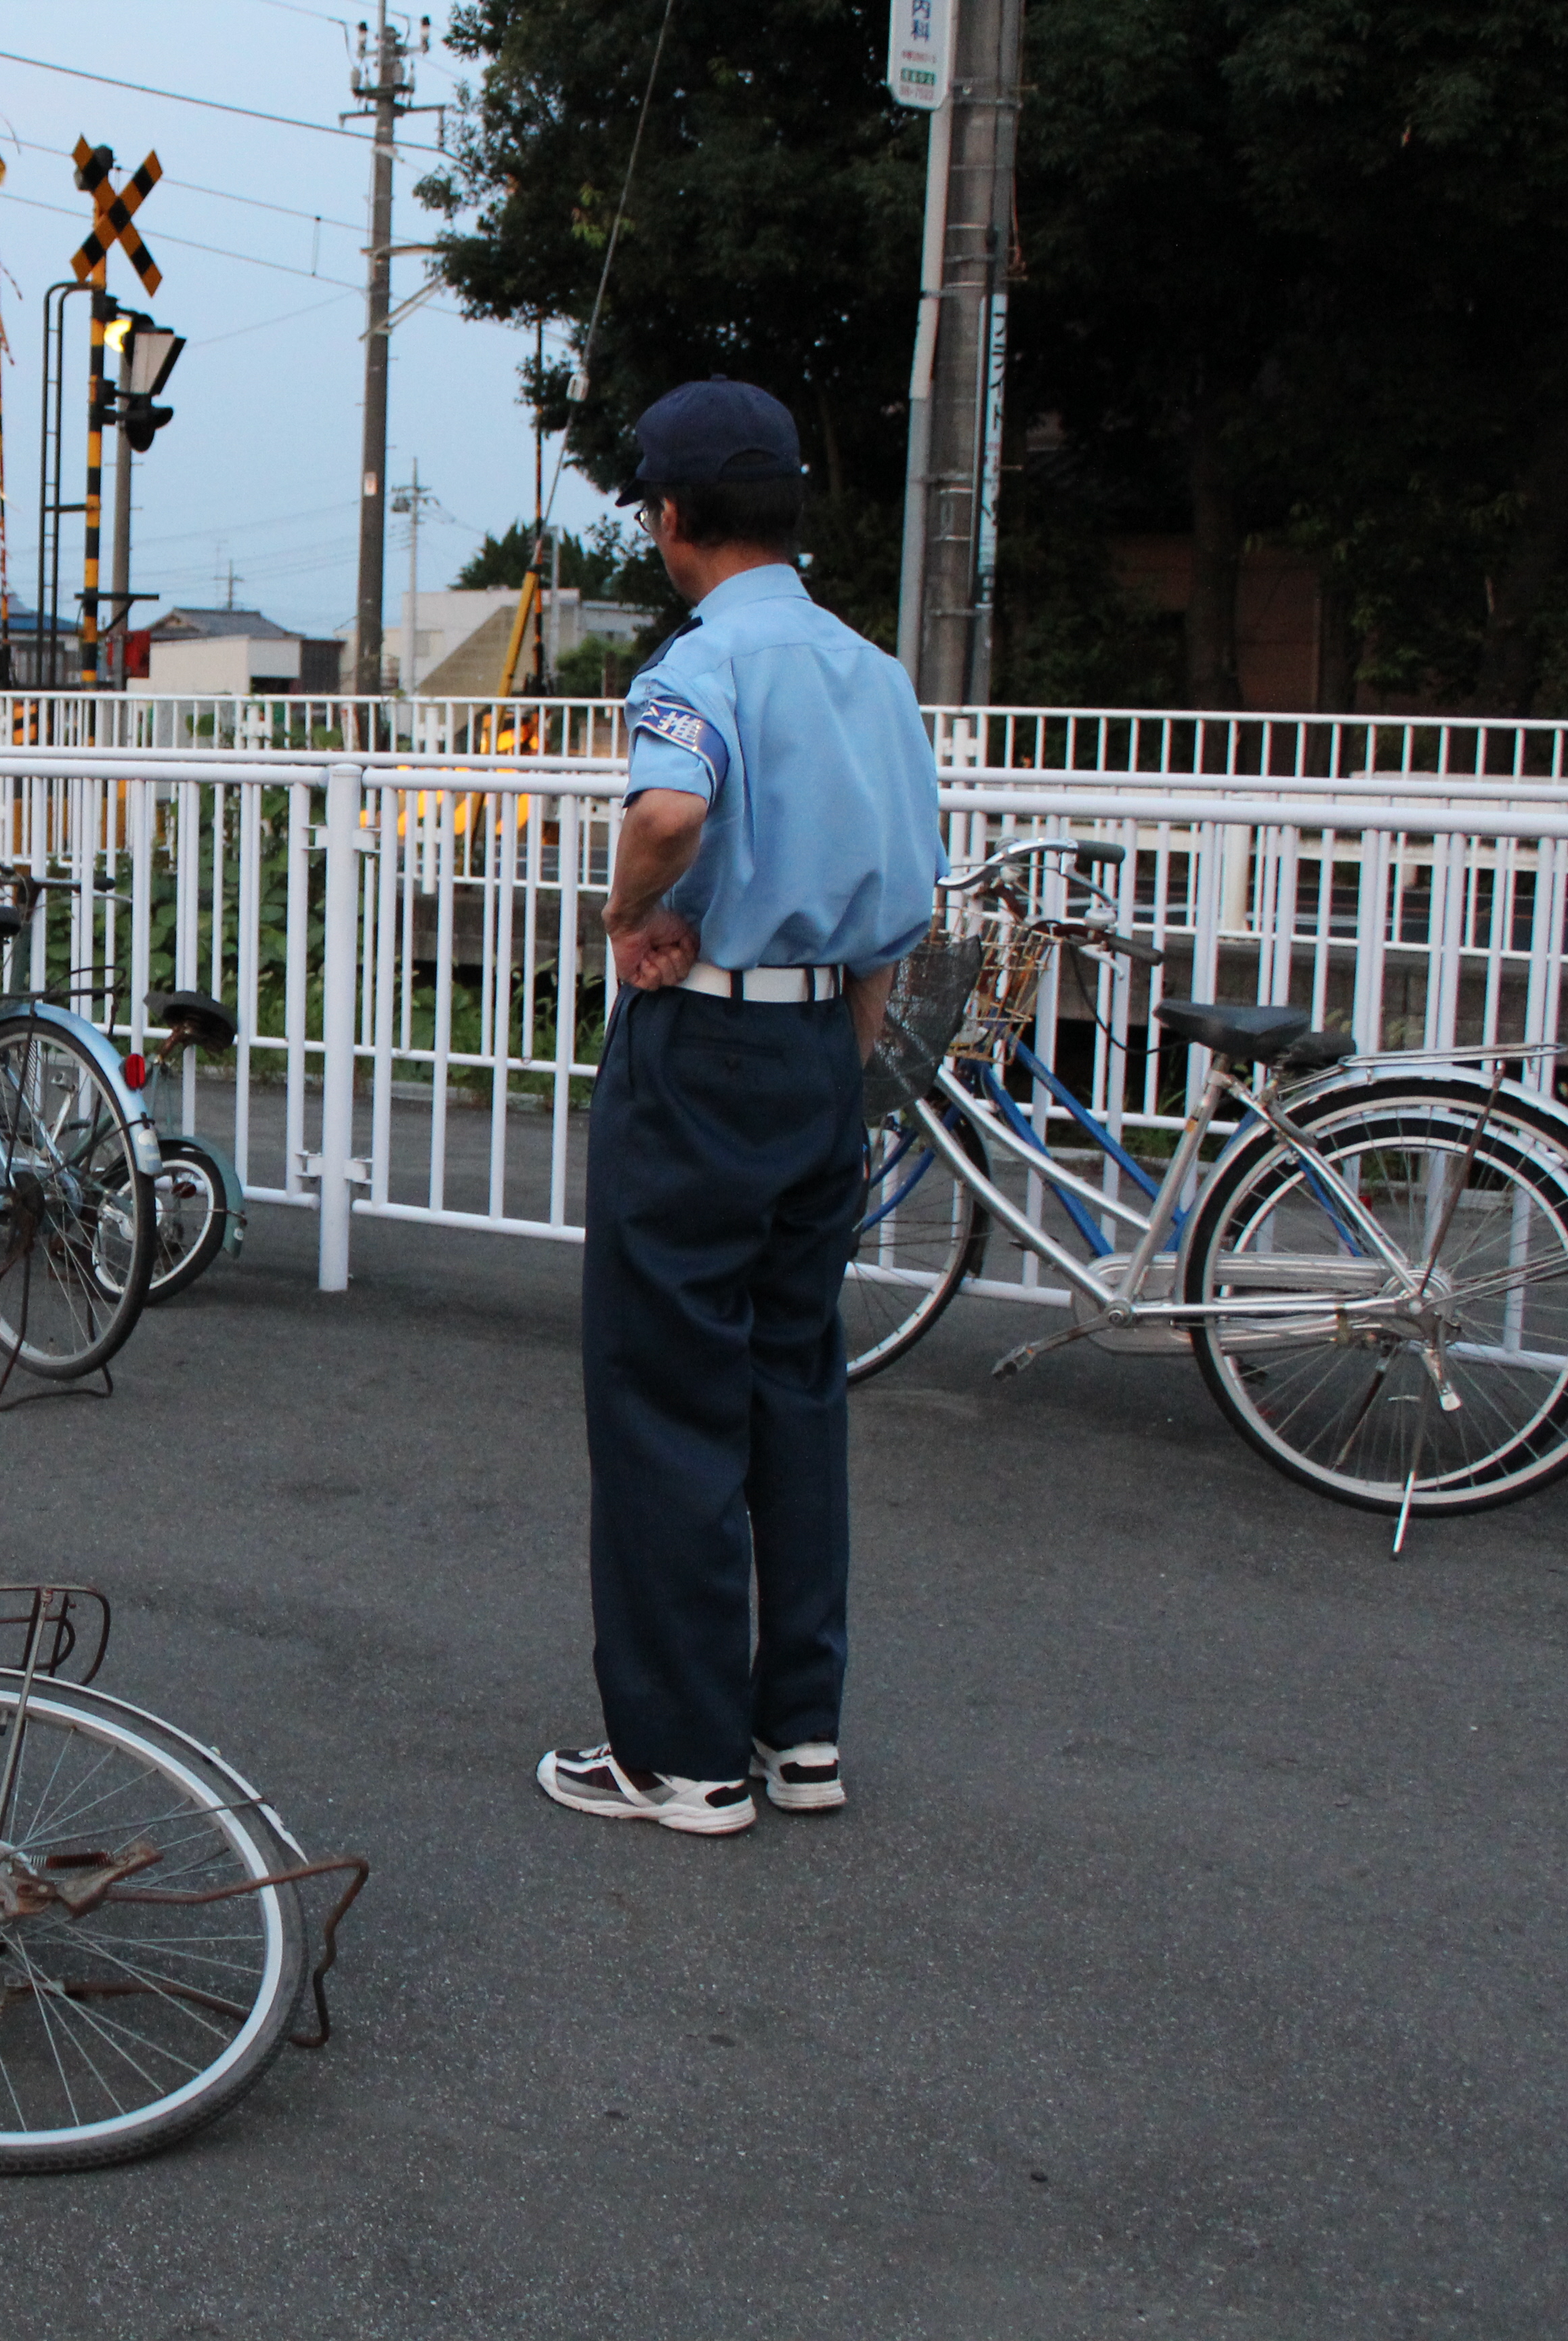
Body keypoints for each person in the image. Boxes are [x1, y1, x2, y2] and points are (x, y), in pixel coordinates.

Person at [539, 377, 943, 1836]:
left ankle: (680, 1753)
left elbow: (667, 811)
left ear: (670, 520)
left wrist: (624, 916)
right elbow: (899, 906)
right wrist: (849, 1048)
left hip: (701, 1052)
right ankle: (798, 1735)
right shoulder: (872, 673)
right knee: (796, 1387)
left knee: (665, 1395)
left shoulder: (695, 664)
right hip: (823, 1051)